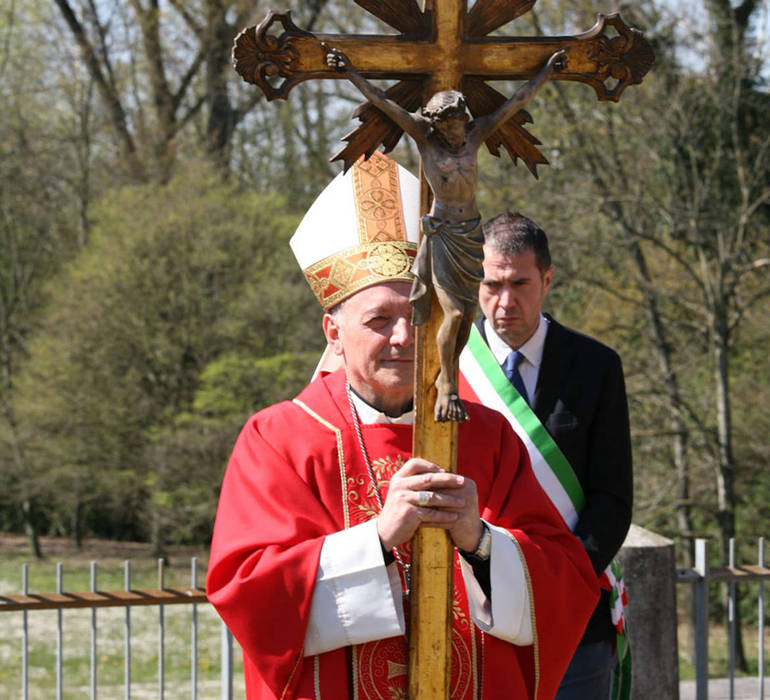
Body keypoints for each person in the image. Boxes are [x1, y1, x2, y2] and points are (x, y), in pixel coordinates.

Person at [206, 153, 599, 699]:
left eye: (417, 314)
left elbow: (566, 581)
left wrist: (480, 540)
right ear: (334, 332)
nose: (402, 336)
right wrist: (378, 538)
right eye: (378, 320)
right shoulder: (280, 439)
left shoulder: (486, 437)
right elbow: (249, 593)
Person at [324, 43, 566, 422]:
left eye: (458, 124)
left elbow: (515, 103)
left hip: (471, 232)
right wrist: (350, 72)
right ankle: (446, 386)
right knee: (452, 314)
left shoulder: (475, 134)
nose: (455, 133)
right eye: (448, 126)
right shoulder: (424, 137)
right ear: (436, 123)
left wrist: (546, 74)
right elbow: (384, 104)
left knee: (467, 316)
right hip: (444, 235)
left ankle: (447, 377)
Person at [466, 211, 633, 699]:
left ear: (548, 279)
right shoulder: (443, 366)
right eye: (492, 284)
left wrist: (557, 584)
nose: (505, 301)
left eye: (520, 283)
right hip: (474, 610)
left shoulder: (597, 366)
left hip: (572, 607)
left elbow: (612, 498)